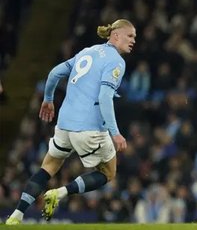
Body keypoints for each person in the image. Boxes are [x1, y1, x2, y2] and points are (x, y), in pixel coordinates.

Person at [6, 19, 136, 225]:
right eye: (130, 36)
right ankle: (59, 193)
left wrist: (48, 99)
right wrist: (115, 132)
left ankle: (16, 215)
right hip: (89, 128)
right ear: (116, 35)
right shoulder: (116, 61)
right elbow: (104, 97)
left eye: (135, 37)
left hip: (64, 125)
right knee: (108, 172)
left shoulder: (87, 51)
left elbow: (54, 73)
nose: (133, 41)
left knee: (48, 166)